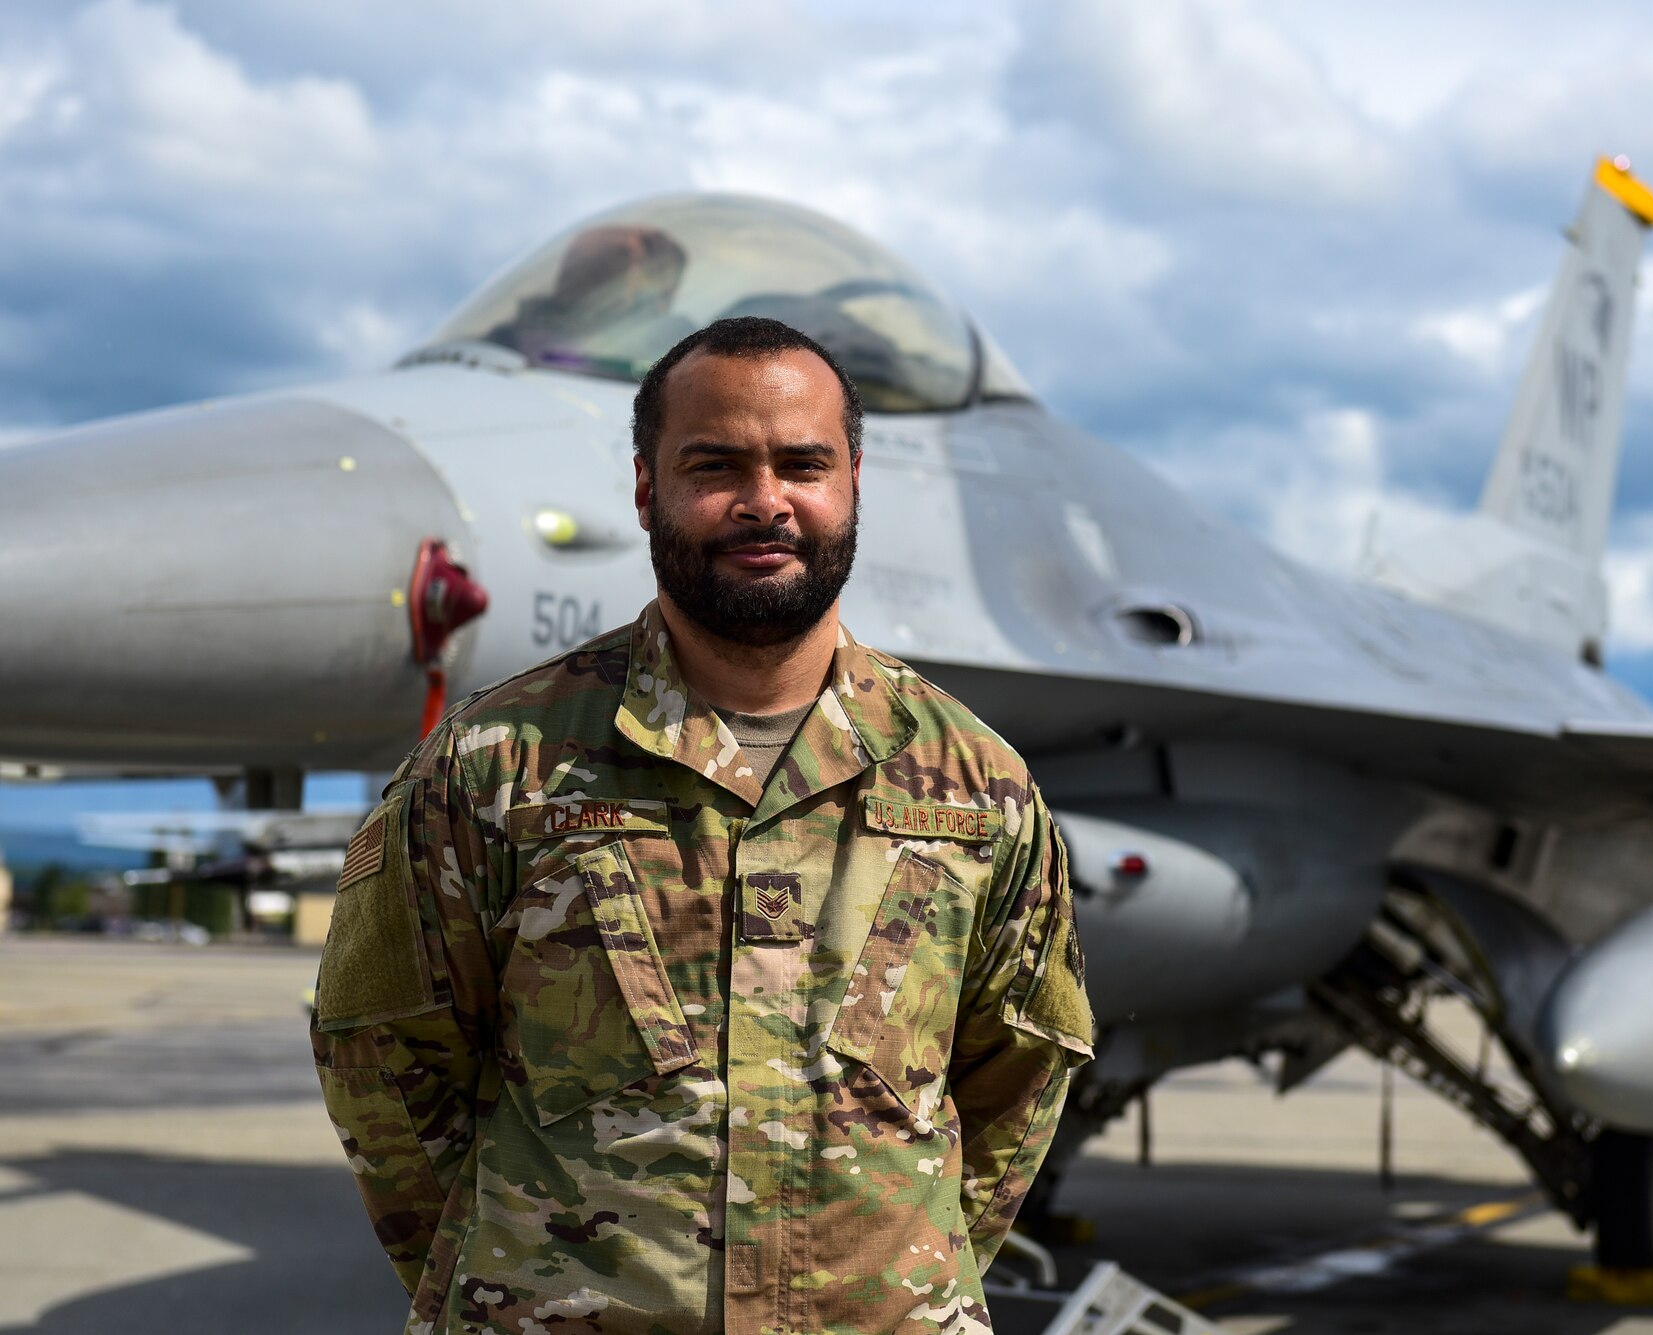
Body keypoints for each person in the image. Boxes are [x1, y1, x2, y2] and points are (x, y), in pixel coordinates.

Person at [310, 316, 1092, 1335]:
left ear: (852, 481)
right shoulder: (496, 763)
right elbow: (383, 1059)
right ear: (646, 488)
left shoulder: (974, 783)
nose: (763, 501)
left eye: (801, 465)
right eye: (715, 464)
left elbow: (1018, 1076)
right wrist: (515, 1275)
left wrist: (901, 1278)